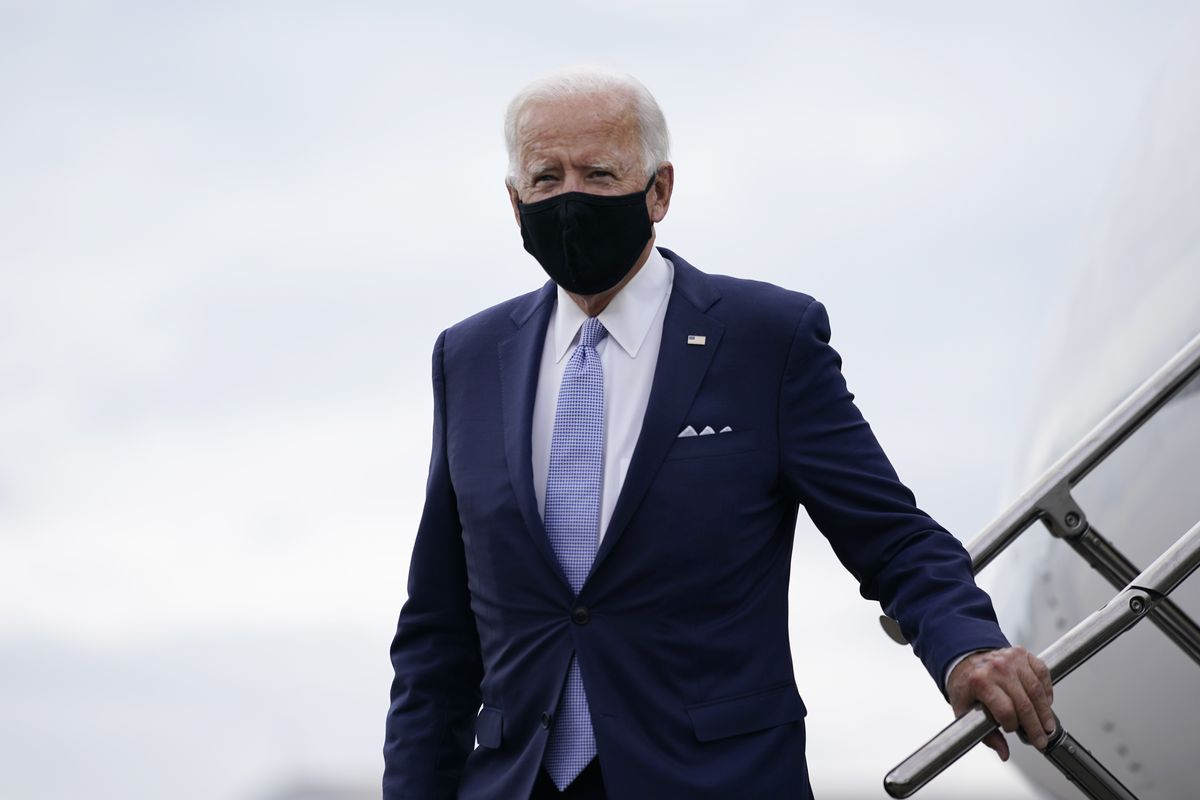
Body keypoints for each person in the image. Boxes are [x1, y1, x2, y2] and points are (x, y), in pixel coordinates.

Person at [383, 68, 1056, 800]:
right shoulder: (470, 357)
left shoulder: (767, 341)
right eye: (545, 179)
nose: (569, 197)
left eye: (599, 173)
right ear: (514, 204)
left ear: (659, 191)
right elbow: (438, 634)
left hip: (713, 778)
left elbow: (892, 537)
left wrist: (967, 647)